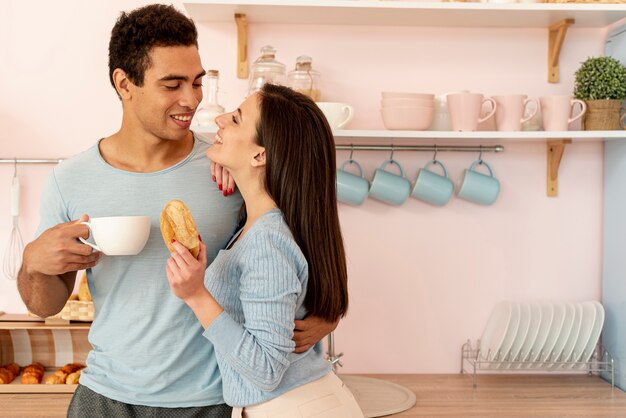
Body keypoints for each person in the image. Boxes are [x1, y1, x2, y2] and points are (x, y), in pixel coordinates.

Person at [16, 4, 336, 417]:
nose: (192, 100)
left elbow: (304, 243)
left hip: (211, 402)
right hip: (105, 397)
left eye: (197, 82)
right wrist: (34, 263)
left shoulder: (228, 167)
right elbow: (45, 307)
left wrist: (330, 311)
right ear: (125, 83)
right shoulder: (70, 179)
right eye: (172, 85)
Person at [165, 83, 364, 417]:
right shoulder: (261, 227)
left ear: (260, 155)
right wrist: (231, 164)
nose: (221, 119)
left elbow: (266, 370)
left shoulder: (267, 242)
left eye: (237, 119)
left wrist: (196, 295)